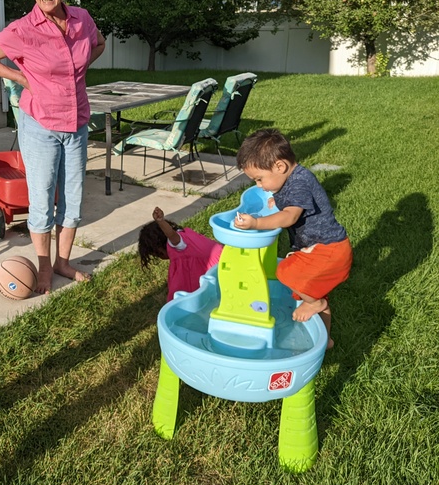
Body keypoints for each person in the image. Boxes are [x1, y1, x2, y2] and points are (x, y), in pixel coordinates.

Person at [0, 0, 106, 294]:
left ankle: (63, 262)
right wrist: (19, 76)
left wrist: (79, 70)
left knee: (73, 197)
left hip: (77, 123)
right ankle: (44, 267)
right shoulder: (22, 30)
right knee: (42, 198)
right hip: (41, 124)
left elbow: (98, 44)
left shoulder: (82, 19)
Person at [233, 128, 352, 348]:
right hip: (324, 247)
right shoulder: (288, 179)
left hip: (328, 249)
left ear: (280, 166)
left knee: (287, 272)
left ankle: (315, 303)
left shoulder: (299, 182)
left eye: (259, 179)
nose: (259, 186)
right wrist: (276, 202)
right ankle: (325, 339)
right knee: (312, 293)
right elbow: (287, 200)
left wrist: (256, 223)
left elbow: (290, 216)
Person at [138, 207, 223, 301]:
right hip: (220, 264)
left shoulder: (178, 243)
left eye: (156, 253)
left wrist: (161, 221)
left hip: (215, 272)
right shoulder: (186, 235)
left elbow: (171, 235)